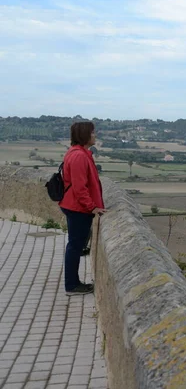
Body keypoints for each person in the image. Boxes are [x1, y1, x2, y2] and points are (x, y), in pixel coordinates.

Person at [59, 121, 106, 295]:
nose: (95, 135)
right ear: (85, 135)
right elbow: (80, 188)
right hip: (77, 208)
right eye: (92, 133)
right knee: (74, 246)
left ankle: (73, 283)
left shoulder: (79, 153)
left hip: (74, 206)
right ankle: (72, 285)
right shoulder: (79, 156)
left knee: (75, 245)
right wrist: (92, 207)